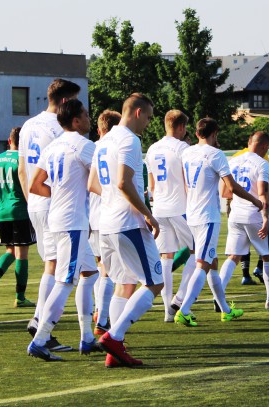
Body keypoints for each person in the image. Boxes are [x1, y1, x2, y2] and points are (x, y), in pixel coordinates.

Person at [89, 93, 161, 368]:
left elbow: (94, 184)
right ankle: (114, 337)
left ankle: (114, 351)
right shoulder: (130, 140)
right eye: (149, 117)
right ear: (138, 112)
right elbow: (123, 182)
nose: (148, 123)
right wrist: (147, 214)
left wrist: (114, 199)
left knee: (125, 283)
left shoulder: (103, 142)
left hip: (106, 223)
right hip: (127, 223)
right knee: (154, 283)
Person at [26, 98, 99, 361]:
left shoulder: (53, 146)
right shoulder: (85, 146)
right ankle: (40, 339)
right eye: (86, 115)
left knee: (90, 273)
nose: (89, 119)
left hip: (57, 218)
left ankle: (87, 337)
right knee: (65, 281)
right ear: (76, 120)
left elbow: (35, 185)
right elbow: (97, 183)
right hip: (72, 222)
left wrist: (59, 193)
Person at [173, 118, 264, 327]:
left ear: (197, 134)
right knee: (203, 264)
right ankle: (184, 310)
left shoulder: (187, 152)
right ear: (215, 134)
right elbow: (231, 187)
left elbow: (186, 182)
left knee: (212, 263)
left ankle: (225, 310)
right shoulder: (216, 154)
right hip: (207, 217)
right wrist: (255, 201)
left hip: (192, 214)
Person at [19, 79, 80, 352]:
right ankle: (40, 323)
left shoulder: (28, 125)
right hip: (55, 203)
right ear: (66, 101)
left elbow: (22, 170)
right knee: (58, 268)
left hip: (35, 202)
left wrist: (31, 200)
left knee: (51, 265)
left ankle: (40, 321)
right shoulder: (60, 128)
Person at [220, 131, 269, 309]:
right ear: (265, 146)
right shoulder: (262, 163)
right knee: (268, 256)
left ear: (249, 142)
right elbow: (262, 193)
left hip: (235, 214)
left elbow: (225, 191)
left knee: (233, 256)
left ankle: (218, 296)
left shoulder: (233, 160)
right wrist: (265, 218)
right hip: (254, 215)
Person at [145, 110, 197, 322]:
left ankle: (167, 310)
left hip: (159, 208)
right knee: (197, 252)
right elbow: (187, 181)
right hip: (179, 207)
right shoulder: (183, 148)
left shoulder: (152, 148)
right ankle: (180, 298)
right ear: (182, 127)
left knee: (166, 257)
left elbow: (151, 185)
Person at [0, 127, 35, 307]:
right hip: (19, 210)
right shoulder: (23, 160)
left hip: (1, 212)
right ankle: (20, 297)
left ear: (9, 140)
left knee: (11, 251)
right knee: (22, 254)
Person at [90, 109, 121, 337]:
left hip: (92, 216)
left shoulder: (91, 148)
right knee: (111, 272)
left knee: (100, 266)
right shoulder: (115, 148)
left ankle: (99, 310)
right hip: (109, 215)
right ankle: (102, 319)